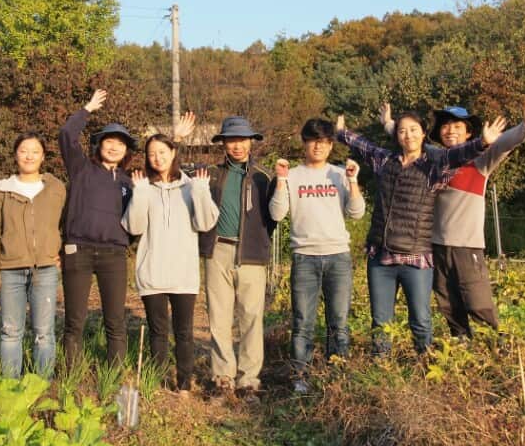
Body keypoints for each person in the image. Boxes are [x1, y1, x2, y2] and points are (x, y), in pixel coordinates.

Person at [336, 107, 505, 355]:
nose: (408, 135)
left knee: (421, 321)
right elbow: (365, 146)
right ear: (397, 135)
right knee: (381, 322)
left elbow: (459, 154)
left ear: (424, 134)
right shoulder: (385, 161)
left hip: (415, 256)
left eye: (414, 130)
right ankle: (381, 366)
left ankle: (423, 364)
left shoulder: (434, 167)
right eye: (402, 131)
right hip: (381, 257)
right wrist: (341, 133)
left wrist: (482, 143)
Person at [426, 99, 525, 341]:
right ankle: (461, 341)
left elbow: (504, 143)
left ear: (469, 133)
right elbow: (411, 142)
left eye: (457, 126)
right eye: (445, 126)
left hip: (467, 245)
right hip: (436, 244)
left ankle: (498, 341)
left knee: (477, 299)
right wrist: (391, 125)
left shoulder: (480, 161)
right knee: (446, 299)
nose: (450, 130)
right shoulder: (436, 160)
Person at [121, 117, 219, 394]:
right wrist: (138, 195)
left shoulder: (192, 185)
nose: (157, 158)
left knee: (184, 332)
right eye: (152, 154)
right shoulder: (143, 187)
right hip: (152, 271)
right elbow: (134, 227)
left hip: (183, 273)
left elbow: (205, 223)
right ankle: (158, 382)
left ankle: (185, 383)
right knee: (157, 331)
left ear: (174, 152)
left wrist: (201, 192)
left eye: (162, 152)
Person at [269, 118, 365, 394]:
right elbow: (277, 214)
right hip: (304, 258)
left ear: (330, 145)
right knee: (302, 322)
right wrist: (281, 180)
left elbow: (356, 213)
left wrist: (353, 180)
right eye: (313, 141)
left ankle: (338, 377)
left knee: (339, 322)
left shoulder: (339, 174)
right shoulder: (293, 175)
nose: (318, 146)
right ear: (304, 142)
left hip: (338, 257)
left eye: (324, 142)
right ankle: (301, 377)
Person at [199, 116, 276, 395]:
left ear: (251, 142)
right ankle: (222, 378)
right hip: (217, 249)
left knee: (252, 317)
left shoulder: (264, 177)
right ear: (223, 144)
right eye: (232, 140)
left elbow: (275, 216)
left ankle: (249, 380)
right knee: (218, 317)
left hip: (252, 254)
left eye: (243, 140)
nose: (238, 146)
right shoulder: (211, 175)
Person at [58, 89, 136, 367]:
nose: (114, 147)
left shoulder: (129, 182)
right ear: (99, 145)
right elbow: (67, 135)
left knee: (115, 321)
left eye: (120, 144)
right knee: (74, 321)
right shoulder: (81, 169)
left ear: (127, 151)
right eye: (109, 141)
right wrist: (87, 109)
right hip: (78, 251)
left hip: (114, 255)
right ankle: (71, 376)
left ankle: (113, 377)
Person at [0, 131, 67, 379]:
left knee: (44, 332)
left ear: (43, 157)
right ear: (15, 155)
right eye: (23, 151)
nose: (29, 156)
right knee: (11, 331)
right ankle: (11, 387)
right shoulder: (1, 191)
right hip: (10, 270)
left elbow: (68, 223)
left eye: (35, 151)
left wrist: (60, 251)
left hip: (46, 269)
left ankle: (42, 384)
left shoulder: (55, 188)